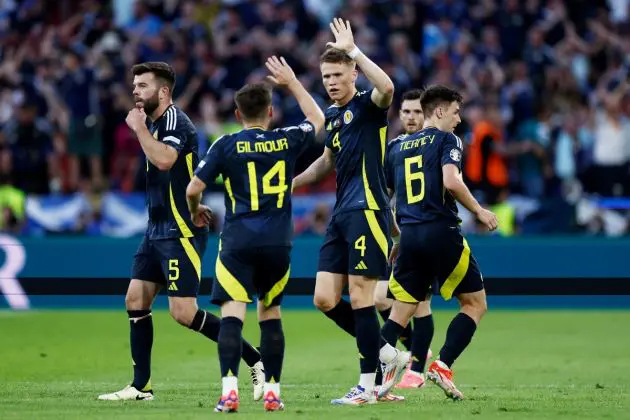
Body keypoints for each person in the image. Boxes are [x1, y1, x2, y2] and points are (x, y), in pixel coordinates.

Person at [98, 62, 264, 402]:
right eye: (134, 85)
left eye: (142, 85)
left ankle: (256, 359)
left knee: (183, 313)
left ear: (163, 91)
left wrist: (139, 130)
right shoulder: (156, 122)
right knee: (135, 299)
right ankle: (140, 386)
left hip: (180, 232)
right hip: (156, 229)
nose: (135, 91)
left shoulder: (174, 121)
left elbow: (165, 161)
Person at [186, 57, 325, 412]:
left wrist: (195, 210)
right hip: (278, 243)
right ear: (271, 112)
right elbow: (318, 121)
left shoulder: (225, 145)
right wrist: (292, 82)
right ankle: (274, 393)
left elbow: (193, 188)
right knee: (271, 314)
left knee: (233, 315)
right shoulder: (286, 139)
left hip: (237, 243)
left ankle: (229, 391)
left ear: (237, 112)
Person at [293, 18, 408, 405]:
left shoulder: (368, 105)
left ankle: (367, 386)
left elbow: (389, 87)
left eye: (338, 74)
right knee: (325, 298)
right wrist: (288, 184)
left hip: (367, 209)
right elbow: (326, 162)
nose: (331, 81)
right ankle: (386, 353)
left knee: (361, 296)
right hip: (342, 214)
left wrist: (355, 49)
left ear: (353, 73)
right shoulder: (335, 117)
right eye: (326, 75)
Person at [379, 85, 497, 401]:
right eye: (456, 112)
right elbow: (451, 181)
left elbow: (384, 198)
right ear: (441, 111)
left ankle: (372, 384)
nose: (459, 120)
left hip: (410, 239)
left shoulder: (396, 147)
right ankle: (442, 365)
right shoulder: (447, 140)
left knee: (399, 314)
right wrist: (479, 210)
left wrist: (395, 237)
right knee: (475, 304)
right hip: (441, 233)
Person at [373, 89, 434, 390]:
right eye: (407, 112)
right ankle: (416, 352)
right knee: (380, 298)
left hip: (429, 234)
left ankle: (418, 370)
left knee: (420, 305)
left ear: (428, 115)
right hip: (404, 236)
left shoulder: (436, 145)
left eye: (417, 112)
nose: (411, 117)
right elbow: (385, 196)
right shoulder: (394, 149)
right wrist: (392, 231)